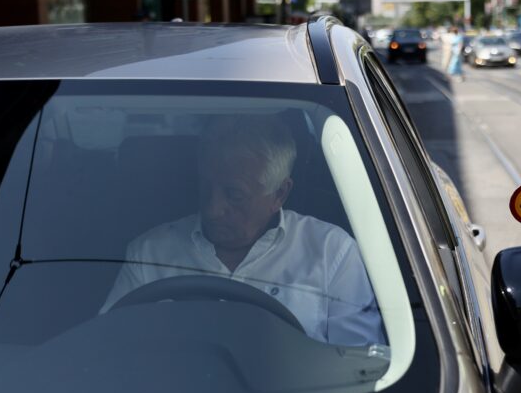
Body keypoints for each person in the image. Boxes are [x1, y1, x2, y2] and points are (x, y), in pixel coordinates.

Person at [101, 116, 386, 347]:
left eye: (234, 195)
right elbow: (109, 350)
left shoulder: (332, 252)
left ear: (280, 193)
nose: (213, 209)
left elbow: (359, 363)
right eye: (206, 188)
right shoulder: (149, 253)